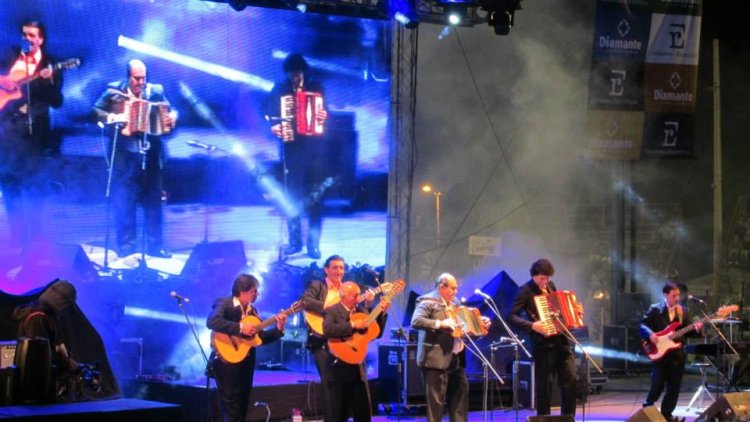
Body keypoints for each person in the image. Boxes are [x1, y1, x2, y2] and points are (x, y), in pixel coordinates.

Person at [92, 58, 176, 258]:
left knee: (154, 204)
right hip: (125, 158)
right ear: (128, 77)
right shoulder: (114, 91)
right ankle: (127, 247)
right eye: (137, 79)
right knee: (125, 203)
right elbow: (96, 111)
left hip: (151, 157)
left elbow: (169, 114)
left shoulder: (156, 91)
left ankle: (156, 246)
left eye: (143, 78)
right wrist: (113, 118)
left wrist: (173, 117)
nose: (141, 83)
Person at [0, 20, 64, 247]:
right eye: (24, 35)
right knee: (10, 185)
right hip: (8, 133)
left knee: (34, 186)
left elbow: (57, 101)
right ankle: (18, 239)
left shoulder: (50, 64)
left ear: (41, 39)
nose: (27, 39)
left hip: (34, 135)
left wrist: (48, 83)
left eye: (32, 35)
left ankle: (37, 240)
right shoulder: (9, 58)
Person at [265, 53, 328, 259]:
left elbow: (326, 113)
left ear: (303, 72)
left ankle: (313, 245)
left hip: (315, 152)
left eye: (298, 74)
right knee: (291, 197)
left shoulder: (316, 87)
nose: (295, 78)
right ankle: (294, 243)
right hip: (291, 150)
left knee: (315, 199)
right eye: (292, 75)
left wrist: (323, 115)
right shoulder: (280, 89)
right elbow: (266, 112)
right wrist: (274, 125)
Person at [207, 274, 288, 422]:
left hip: (246, 363)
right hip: (227, 363)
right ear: (243, 291)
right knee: (231, 406)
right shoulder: (224, 303)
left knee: (243, 405)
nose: (257, 294)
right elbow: (212, 321)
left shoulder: (253, 311)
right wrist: (240, 328)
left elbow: (260, 338)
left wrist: (279, 329)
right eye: (254, 291)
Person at [411, 273, 490, 422]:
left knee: (459, 401)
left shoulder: (455, 302)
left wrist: (480, 324)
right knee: (436, 406)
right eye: (453, 288)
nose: (456, 292)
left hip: (456, 359)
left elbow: (464, 329)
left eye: (456, 289)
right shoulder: (426, 301)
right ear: (442, 287)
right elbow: (416, 321)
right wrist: (440, 324)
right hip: (435, 360)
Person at [508, 258, 581, 417]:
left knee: (571, 380)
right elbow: (511, 316)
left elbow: (559, 310)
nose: (545, 282)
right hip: (542, 345)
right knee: (544, 386)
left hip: (561, 341)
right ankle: (543, 419)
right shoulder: (525, 291)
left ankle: (568, 418)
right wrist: (532, 325)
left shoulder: (551, 286)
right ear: (534, 276)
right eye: (542, 278)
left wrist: (573, 313)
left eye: (548, 278)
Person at [323, 281, 388, 422]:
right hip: (338, 368)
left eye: (359, 295)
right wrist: (352, 324)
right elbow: (327, 330)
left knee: (363, 411)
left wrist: (381, 312)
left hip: (358, 368)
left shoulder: (362, 311)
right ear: (343, 296)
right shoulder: (332, 310)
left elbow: (376, 332)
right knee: (339, 412)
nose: (358, 298)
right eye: (355, 295)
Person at [639, 281, 703, 422]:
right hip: (660, 353)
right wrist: (650, 334)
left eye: (678, 295)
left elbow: (686, 332)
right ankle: (647, 409)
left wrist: (697, 329)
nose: (677, 298)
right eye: (674, 295)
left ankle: (667, 414)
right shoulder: (655, 309)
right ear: (665, 295)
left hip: (677, 355)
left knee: (674, 386)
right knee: (658, 384)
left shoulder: (683, 312)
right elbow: (642, 325)